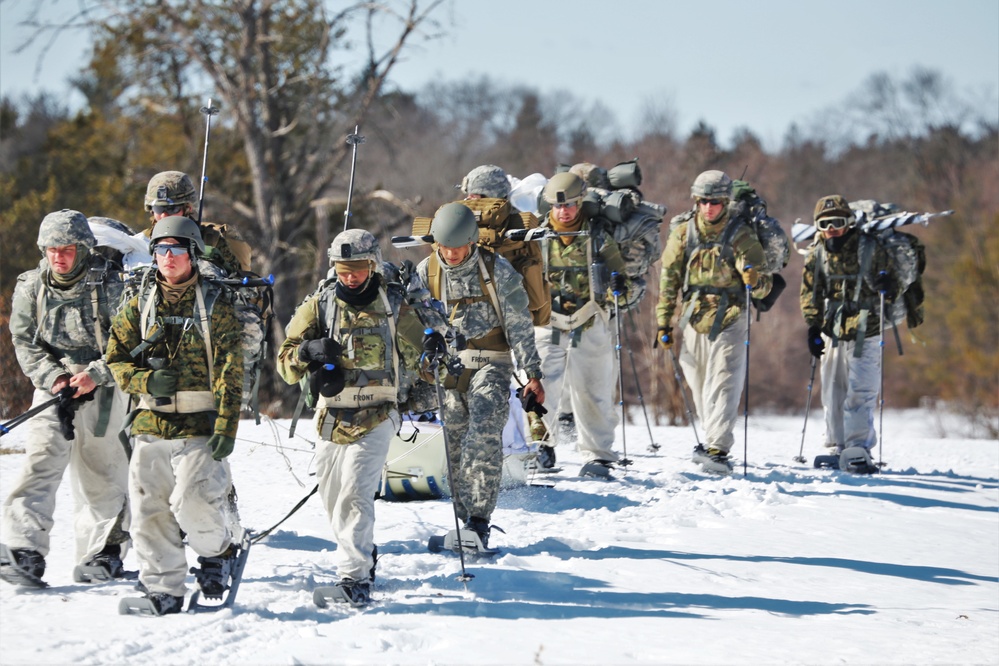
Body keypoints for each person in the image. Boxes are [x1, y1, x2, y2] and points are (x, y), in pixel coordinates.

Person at [277, 229, 426, 605]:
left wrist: (434, 344)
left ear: (373, 264)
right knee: (332, 497)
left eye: (358, 267)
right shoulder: (320, 305)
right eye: (343, 269)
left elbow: (425, 346)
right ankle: (362, 553)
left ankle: (353, 578)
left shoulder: (394, 302)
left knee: (355, 491)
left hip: (379, 412)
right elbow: (286, 363)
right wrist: (307, 351)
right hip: (332, 416)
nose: (351, 276)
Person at [105, 215, 244, 615]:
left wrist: (227, 426)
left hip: (201, 424)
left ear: (193, 254)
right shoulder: (139, 304)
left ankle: (217, 552)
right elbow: (114, 359)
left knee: (192, 501)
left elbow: (232, 369)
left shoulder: (215, 305)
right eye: (161, 249)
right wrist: (145, 382)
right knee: (149, 509)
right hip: (151, 423)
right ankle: (162, 587)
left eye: (177, 249)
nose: (168, 257)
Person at [1, 210, 131, 587]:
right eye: (51, 249)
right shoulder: (31, 286)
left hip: (103, 387)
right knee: (41, 461)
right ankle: (22, 549)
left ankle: (102, 553)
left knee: (101, 471)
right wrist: (55, 378)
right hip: (54, 388)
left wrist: (95, 375)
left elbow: (130, 343)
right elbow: (25, 342)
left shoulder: (113, 285)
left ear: (84, 248)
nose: (59, 256)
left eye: (67, 249)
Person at [418, 203, 544, 547]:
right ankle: (465, 525)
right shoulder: (427, 272)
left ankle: (478, 520)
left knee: (484, 435)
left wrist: (532, 373)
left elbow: (519, 325)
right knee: (456, 446)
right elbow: (411, 325)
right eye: (445, 246)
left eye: (458, 246)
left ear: (472, 241)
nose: (452, 253)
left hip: (492, 362)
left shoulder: (497, 271)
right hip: (450, 367)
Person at [654, 170, 773, 474]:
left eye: (715, 202)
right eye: (703, 201)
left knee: (723, 380)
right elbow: (669, 279)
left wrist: (754, 278)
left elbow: (764, 286)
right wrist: (664, 322)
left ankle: (718, 448)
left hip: (731, 314)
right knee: (697, 378)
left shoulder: (741, 234)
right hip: (694, 316)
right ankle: (711, 439)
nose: (709, 207)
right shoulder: (683, 232)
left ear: (725, 201)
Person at [532, 172, 633, 477]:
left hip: (589, 319)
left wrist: (617, 284)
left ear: (580, 203)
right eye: (558, 206)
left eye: (571, 206)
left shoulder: (598, 236)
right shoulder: (537, 237)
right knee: (540, 387)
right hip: (548, 322)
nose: (564, 212)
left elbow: (623, 285)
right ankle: (539, 446)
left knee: (593, 390)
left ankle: (598, 455)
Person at [800, 194, 896, 471]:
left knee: (861, 389)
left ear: (850, 223)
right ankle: (837, 445)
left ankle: (858, 447)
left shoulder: (870, 247)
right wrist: (813, 326)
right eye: (825, 223)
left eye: (838, 222)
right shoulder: (817, 251)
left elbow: (893, 283)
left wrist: (886, 284)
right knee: (833, 389)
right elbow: (810, 292)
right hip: (833, 327)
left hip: (867, 326)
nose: (832, 229)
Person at [142, 170, 250, 275]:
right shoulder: (142, 240)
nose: (164, 215)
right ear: (151, 210)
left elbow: (243, 283)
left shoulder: (215, 238)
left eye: (172, 209)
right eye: (159, 209)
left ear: (188, 208)